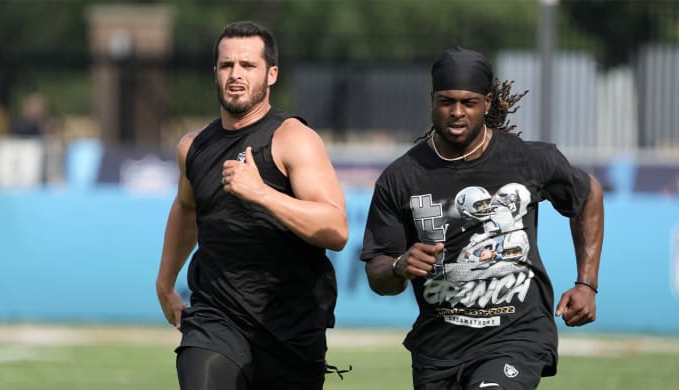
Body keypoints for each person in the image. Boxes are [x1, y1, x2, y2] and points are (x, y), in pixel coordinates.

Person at [360, 46, 604, 390]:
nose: (457, 112)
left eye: (468, 102)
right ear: (432, 101)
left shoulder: (528, 159)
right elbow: (377, 274)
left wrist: (586, 283)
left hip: (516, 336)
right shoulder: (401, 178)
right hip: (438, 350)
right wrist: (400, 265)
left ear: (487, 103)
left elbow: (589, 194)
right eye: (446, 102)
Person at [155, 21, 349, 390]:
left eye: (248, 65)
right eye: (227, 65)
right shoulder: (192, 147)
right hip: (216, 318)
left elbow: (336, 229)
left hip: (290, 327)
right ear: (215, 71)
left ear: (271, 74)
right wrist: (165, 283)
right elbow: (186, 209)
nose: (235, 75)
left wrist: (260, 192)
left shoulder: (294, 139)